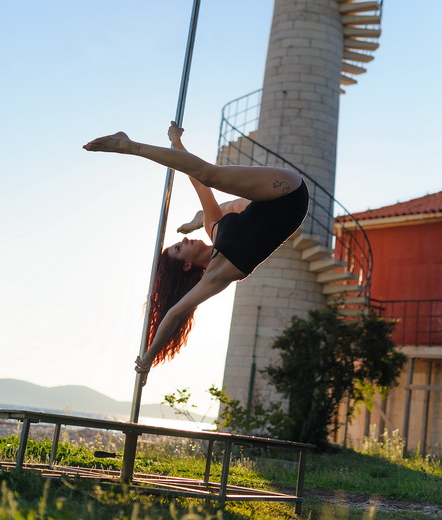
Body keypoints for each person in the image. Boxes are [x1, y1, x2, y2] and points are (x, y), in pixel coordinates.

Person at [83, 122, 309, 384]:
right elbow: (174, 314)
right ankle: (127, 145)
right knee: (213, 179)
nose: (184, 240)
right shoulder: (217, 276)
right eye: (179, 248)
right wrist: (148, 359)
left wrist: (177, 142)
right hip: (290, 196)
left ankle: (198, 215)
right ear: (187, 266)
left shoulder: (214, 229)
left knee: (212, 186)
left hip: (272, 193)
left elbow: (198, 182)